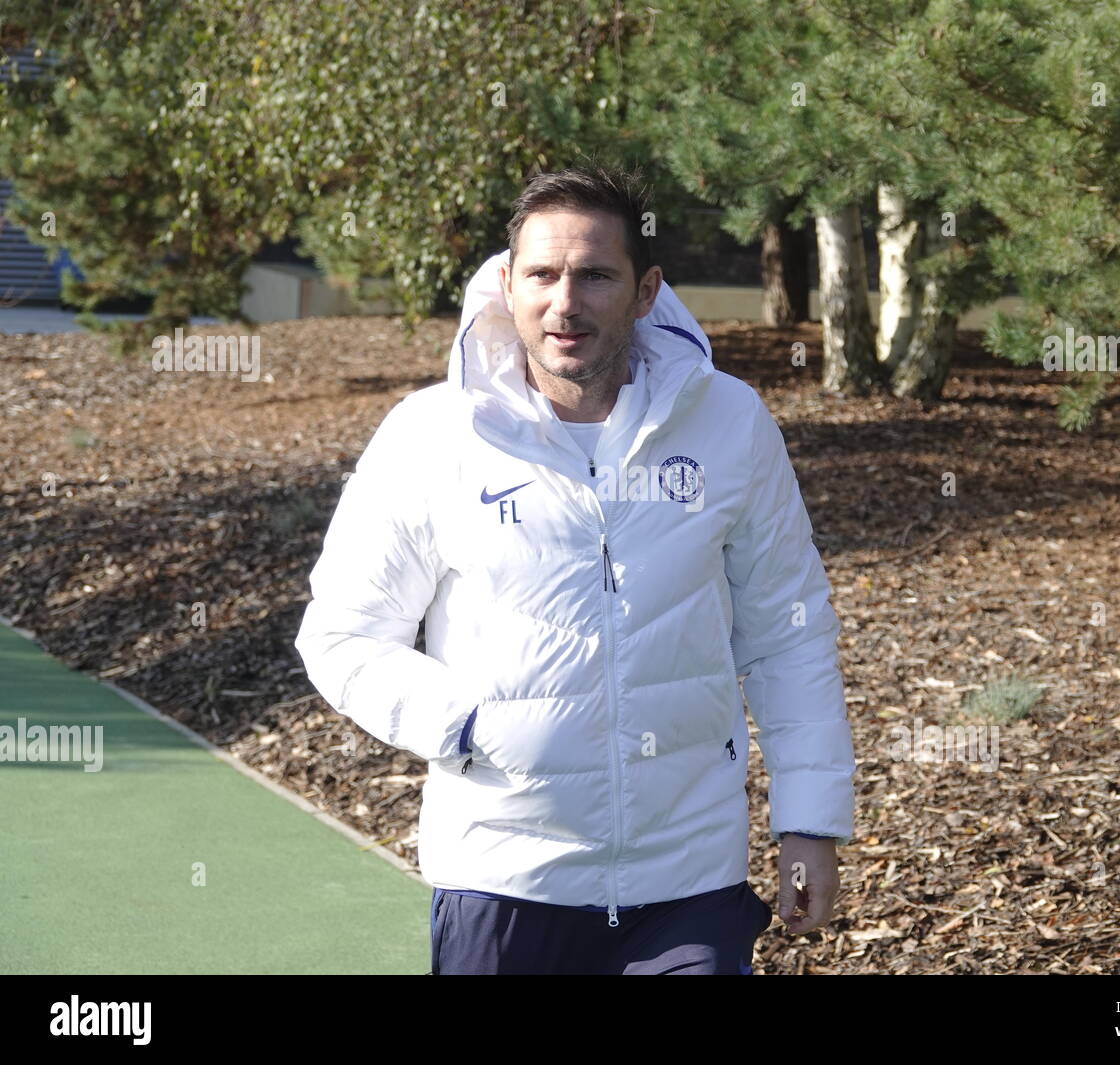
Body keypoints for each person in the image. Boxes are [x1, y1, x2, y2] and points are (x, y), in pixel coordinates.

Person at [294, 163, 855, 975]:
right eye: (543, 275)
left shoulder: (729, 423)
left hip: (688, 880)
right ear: (507, 284)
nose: (566, 302)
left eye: (596, 275)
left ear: (646, 289)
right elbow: (342, 633)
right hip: (503, 874)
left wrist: (810, 820)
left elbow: (788, 634)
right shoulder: (432, 436)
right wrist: (467, 726)